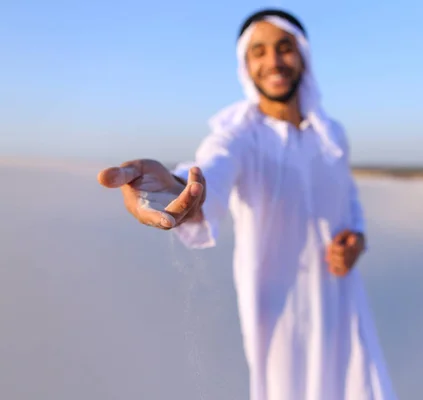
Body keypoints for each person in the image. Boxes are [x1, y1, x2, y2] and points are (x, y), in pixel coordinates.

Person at [97, 8, 397, 400]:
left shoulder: (331, 134)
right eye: (259, 51)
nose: (273, 61)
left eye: (284, 47)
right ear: (246, 63)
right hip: (280, 312)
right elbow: (210, 177)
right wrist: (175, 187)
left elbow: (348, 196)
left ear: (303, 55)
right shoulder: (238, 136)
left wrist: (357, 238)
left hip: (343, 302)